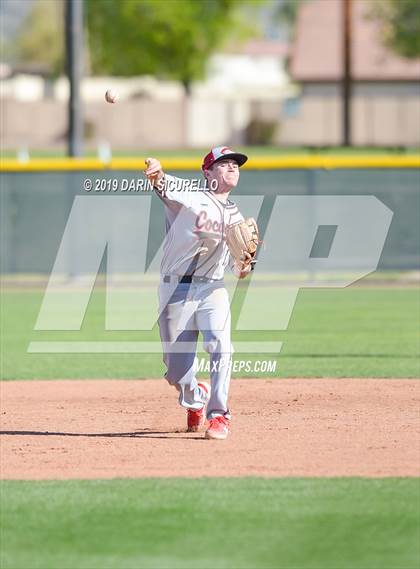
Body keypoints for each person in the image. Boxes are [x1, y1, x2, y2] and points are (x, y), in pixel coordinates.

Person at [144, 146, 254, 440]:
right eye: (224, 163)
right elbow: (161, 180)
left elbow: (237, 270)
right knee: (175, 373)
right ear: (208, 172)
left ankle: (219, 415)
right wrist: (155, 168)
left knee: (221, 345)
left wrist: (244, 265)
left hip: (212, 287)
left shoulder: (237, 217)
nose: (232, 167)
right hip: (175, 288)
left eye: (236, 164)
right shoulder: (190, 195)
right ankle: (196, 396)